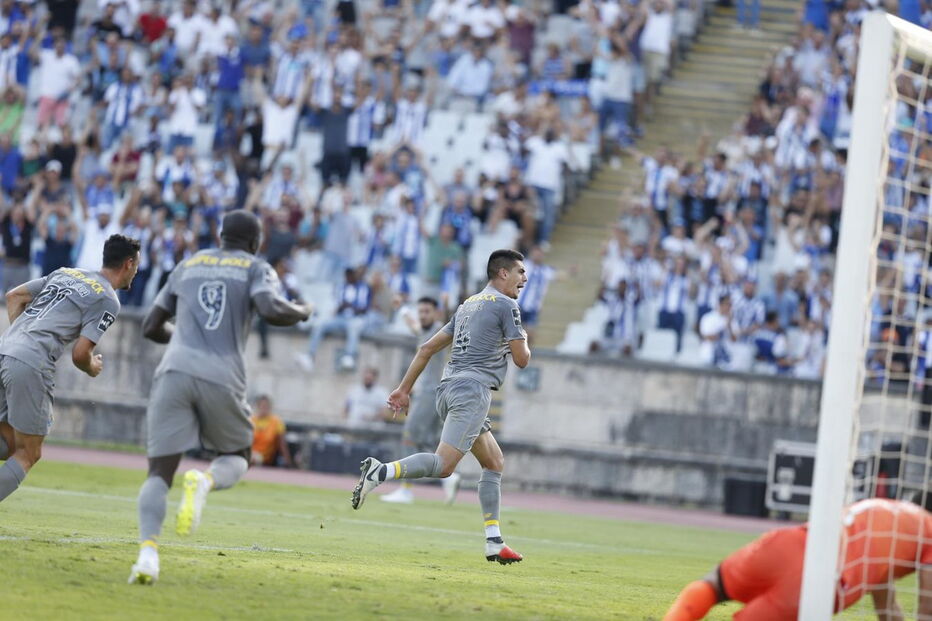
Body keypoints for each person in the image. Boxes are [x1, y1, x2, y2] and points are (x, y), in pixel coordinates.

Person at [129, 210, 312, 586]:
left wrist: (183, 339)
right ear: (256, 242)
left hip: (174, 369)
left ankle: (147, 556)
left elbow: (150, 326)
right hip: (221, 374)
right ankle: (205, 481)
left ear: (220, 236)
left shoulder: (188, 264)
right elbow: (270, 308)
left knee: (159, 473)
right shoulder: (255, 267)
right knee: (238, 455)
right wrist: (302, 311)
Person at [352, 249, 529, 565]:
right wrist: (523, 337)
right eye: (520, 272)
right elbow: (522, 359)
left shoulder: (467, 305)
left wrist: (403, 389)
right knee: (444, 466)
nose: (524, 279)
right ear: (503, 273)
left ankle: (494, 541)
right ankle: (381, 471)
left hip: (447, 389)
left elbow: (426, 348)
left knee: (494, 462)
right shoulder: (507, 306)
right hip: (473, 391)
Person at [0, 235, 139, 505]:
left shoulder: (67, 273)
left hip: (4, 349)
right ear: (128, 264)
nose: (136, 272)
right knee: (29, 453)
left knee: (10, 441)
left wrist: (19, 343)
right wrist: (92, 366)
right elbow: (80, 354)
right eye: (136, 266)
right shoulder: (108, 299)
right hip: (30, 361)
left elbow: (14, 296)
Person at [663, 496, 932, 620]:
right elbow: (927, 610)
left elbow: (886, 606)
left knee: (714, 584)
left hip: (790, 542)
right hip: (824, 580)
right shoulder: (929, 531)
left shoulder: (893, 514)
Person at [381, 297, 462, 505]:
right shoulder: (425, 331)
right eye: (421, 312)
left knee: (408, 437)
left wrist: (446, 306)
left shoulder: (438, 330)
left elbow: (446, 320)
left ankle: (406, 489)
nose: (423, 316)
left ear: (436, 313)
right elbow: (414, 325)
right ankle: (449, 478)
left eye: (427, 311)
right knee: (427, 443)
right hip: (435, 395)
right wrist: (402, 309)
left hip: (428, 394)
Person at [249, 395, 293, 467]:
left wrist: (288, 462)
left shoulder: (276, 421)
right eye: (262, 406)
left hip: (264, 457)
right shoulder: (252, 420)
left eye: (266, 406)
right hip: (251, 453)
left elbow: (282, 444)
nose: (264, 408)